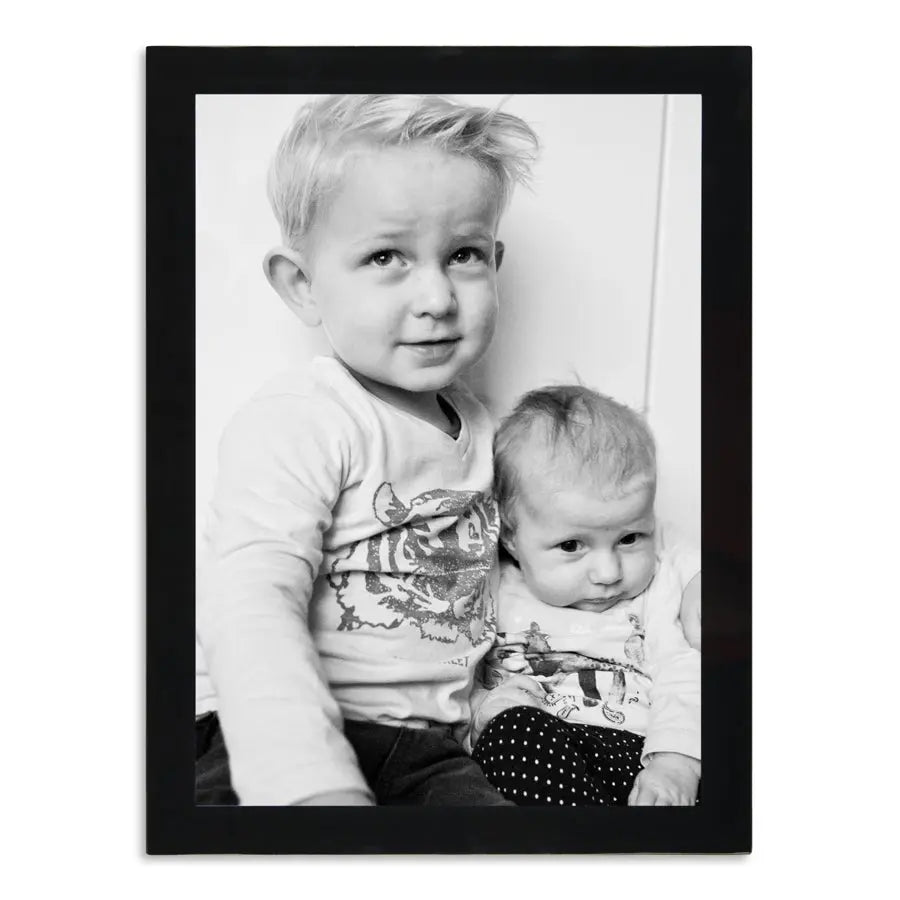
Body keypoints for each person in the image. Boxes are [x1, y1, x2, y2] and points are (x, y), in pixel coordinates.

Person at [194, 94, 539, 806]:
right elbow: (250, 602)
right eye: (386, 256)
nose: (437, 296)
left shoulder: (485, 429)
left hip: (428, 750)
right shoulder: (304, 418)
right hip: (261, 731)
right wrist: (307, 786)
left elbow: (570, 535)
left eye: (464, 255)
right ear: (303, 286)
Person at [469, 385, 701, 806]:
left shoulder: (657, 586)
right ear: (511, 535)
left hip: (637, 756)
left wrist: (675, 764)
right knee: (511, 734)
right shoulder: (491, 585)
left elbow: (683, 672)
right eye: (572, 546)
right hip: (535, 750)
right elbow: (451, 677)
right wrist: (483, 709)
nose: (609, 573)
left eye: (630, 538)